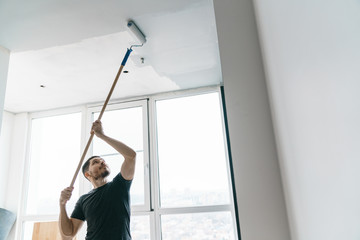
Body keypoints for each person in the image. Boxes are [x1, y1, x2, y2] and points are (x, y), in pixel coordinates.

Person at [59, 120, 136, 240]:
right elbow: (68, 234)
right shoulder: (83, 200)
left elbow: (131, 156)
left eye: (102, 160)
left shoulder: (120, 184)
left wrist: (102, 135)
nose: (102, 161)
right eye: (96, 162)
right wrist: (62, 204)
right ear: (88, 174)